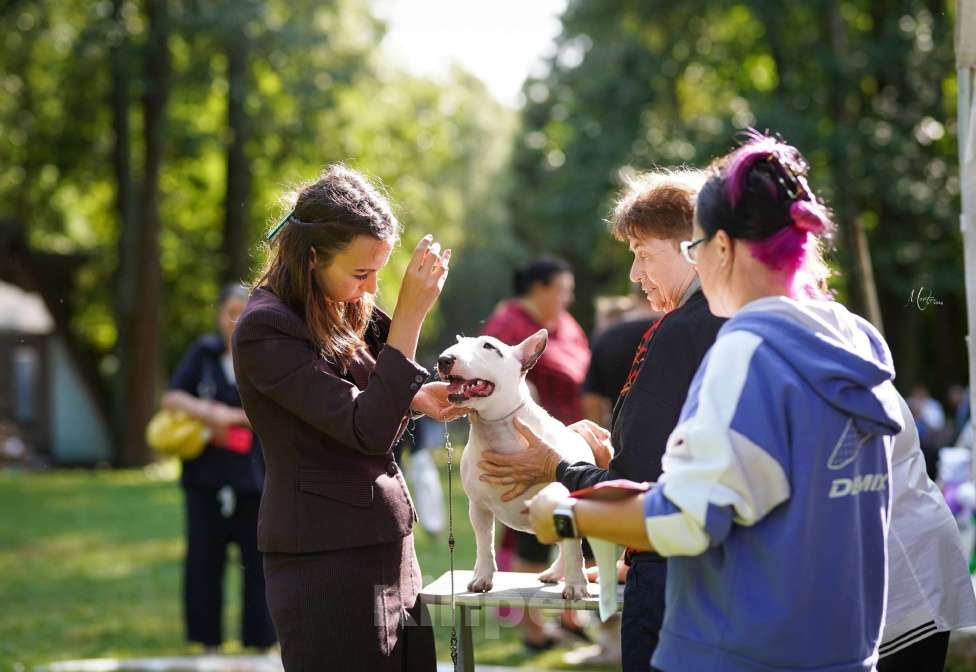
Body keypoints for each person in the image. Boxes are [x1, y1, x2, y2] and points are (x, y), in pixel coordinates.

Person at [526, 131, 906, 672]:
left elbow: (687, 519)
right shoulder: (856, 337)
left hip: (735, 653)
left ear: (722, 248)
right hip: (842, 651)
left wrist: (565, 513)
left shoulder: (748, 352)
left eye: (697, 249)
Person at [477, 170, 725, 670]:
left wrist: (558, 467)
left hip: (674, 588)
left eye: (643, 252)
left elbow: (637, 485)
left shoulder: (679, 332)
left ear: (691, 248)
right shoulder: (723, 321)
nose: (635, 274)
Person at [232, 165, 463, 671]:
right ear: (312, 257)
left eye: (379, 271)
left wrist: (419, 394)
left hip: (388, 545)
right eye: (361, 273)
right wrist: (411, 315)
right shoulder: (265, 329)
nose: (371, 288)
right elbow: (366, 428)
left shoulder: (337, 302)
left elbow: (382, 389)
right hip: (326, 561)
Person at [480, 255, 592, 650]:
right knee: (531, 532)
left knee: (575, 526)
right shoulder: (506, 326)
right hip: (525, 448)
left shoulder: (566, 326)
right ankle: (533, 628)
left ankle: (569, 615)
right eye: (563, 289)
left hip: (568, 443)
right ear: (539, 288)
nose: (569, 297)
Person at [163, 283, 277, 653]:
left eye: (244, 310)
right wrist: (211, 413)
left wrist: (227, 417)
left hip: (254, 479)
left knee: (257, 566)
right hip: (204, 478)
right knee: (203, 563)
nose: (235, 319)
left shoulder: (268, 356)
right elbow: (173, 397)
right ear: (220, 315)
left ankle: (261, 643)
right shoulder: (204, 353)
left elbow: (277, 412)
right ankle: (207, 643)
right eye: (230, 310)